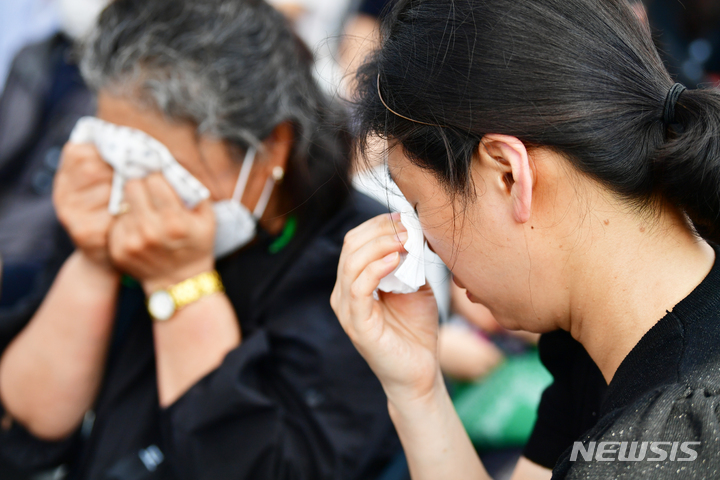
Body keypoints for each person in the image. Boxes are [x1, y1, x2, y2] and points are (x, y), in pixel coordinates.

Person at [0, 1, 400, 479]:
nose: (135, 195)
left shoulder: (360, 259)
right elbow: (24, 429)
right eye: (120, 158)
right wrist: (94, 260)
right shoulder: (118, 201)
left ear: (272, 146)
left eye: (161, 170)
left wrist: (180, 281)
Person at [331, 0, 720, 478]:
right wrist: (417, 388)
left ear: (509, 175)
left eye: (417, 205)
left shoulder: (659, 447)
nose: (426, 245)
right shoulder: (592, 339)